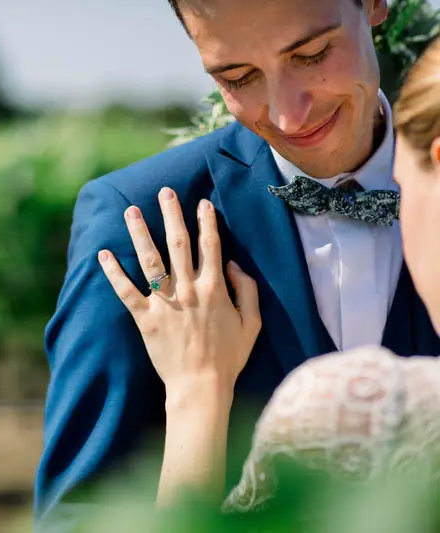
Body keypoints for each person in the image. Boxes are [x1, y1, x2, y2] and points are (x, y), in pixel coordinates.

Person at [34, 0, 440, 529]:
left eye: (312, 54)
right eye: (239, 77)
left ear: (374, 5)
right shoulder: (141, 224)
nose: (288, 114)